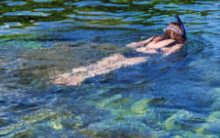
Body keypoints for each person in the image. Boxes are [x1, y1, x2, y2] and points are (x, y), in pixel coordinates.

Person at [53, 16, 187, 86]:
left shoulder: (155, 37)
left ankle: (68, 74)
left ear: (166, 31)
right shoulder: (177, 43)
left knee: (98, 64)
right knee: (108, 68)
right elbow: (168, 55)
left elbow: (133, 44)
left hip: (131, 51)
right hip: (143, 56)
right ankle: (78, 78)